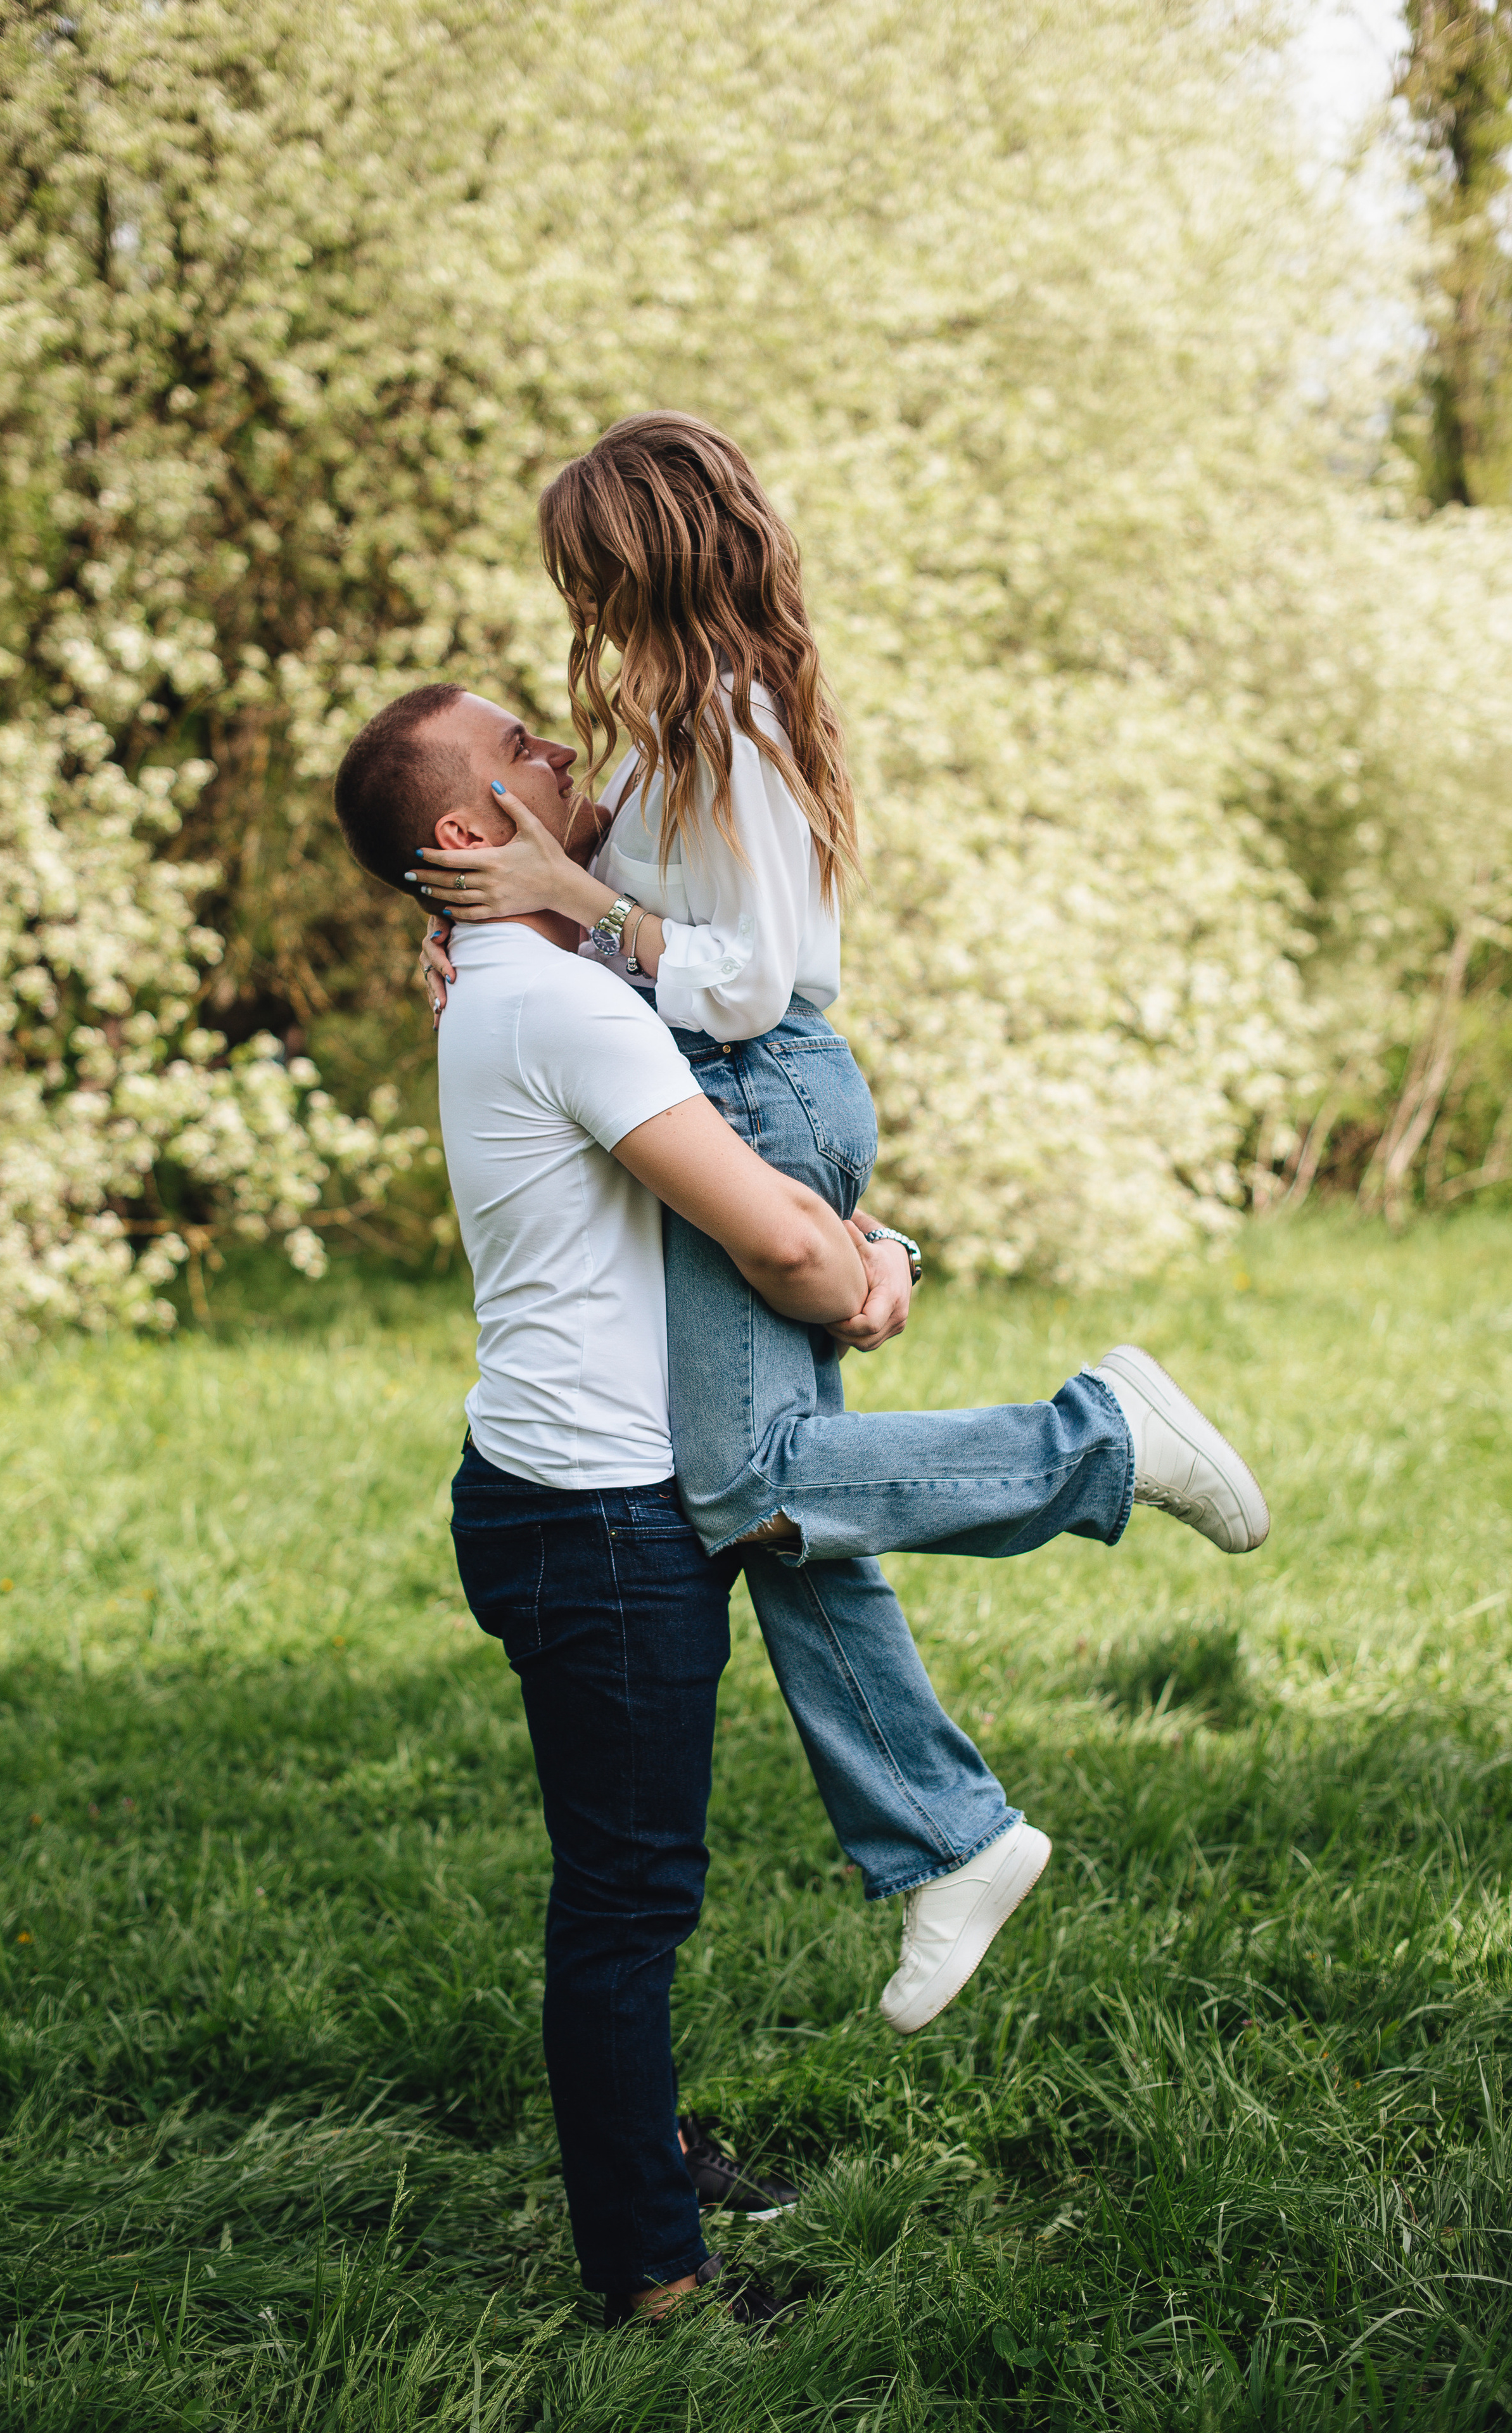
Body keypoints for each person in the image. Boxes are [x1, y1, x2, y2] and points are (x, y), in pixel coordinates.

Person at [330, 678, 1271, 2320]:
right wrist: (847, 1266)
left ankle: (669, 2147)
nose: (560, 746)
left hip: (585, 1500)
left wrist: (858, 1250)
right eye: (520, 755)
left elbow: (747, 1173)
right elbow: (761, 1234)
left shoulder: (526, 978)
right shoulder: (557, 1007)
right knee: (626, 1904)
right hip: (599, 1524)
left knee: (631, 1878)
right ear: (475, 834)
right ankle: (655, 2275)